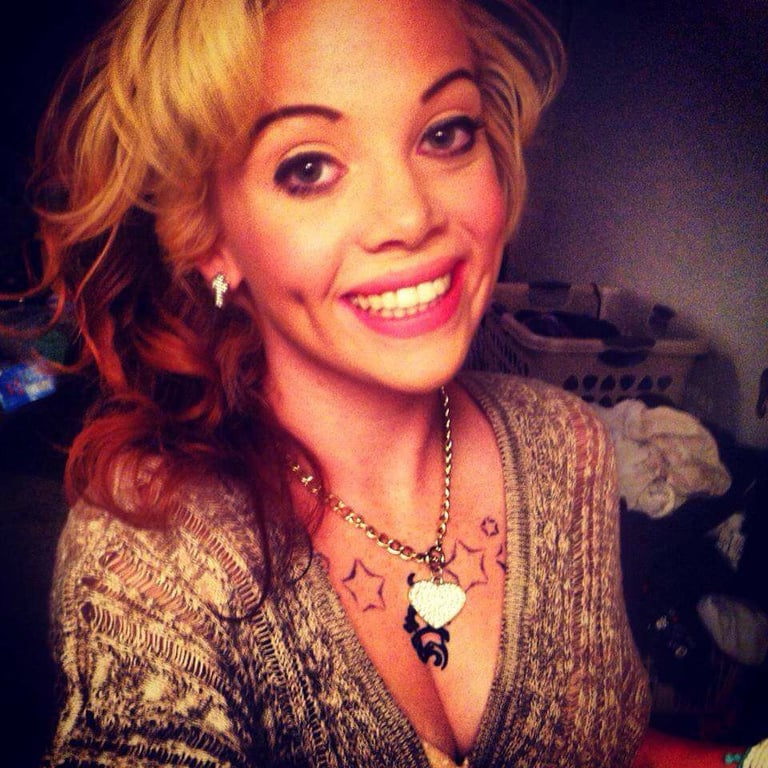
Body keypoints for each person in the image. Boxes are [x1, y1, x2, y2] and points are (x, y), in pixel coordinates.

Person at [27, 0, 664, 765]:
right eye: (308, 168)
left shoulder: (571, 448)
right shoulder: (149, 551)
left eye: (445, 134)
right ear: (210, 238)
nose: (410, 216)